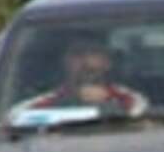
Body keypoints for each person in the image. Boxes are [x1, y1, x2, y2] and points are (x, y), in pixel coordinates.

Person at [12, 34, 148, 118]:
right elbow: (14, 125)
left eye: (94, 54)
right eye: (78, 54)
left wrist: (107, 106)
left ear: (108, 62)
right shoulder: (37, 106)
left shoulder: (130, 101)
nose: (87, 63)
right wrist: (67, 102)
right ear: (64, 61)